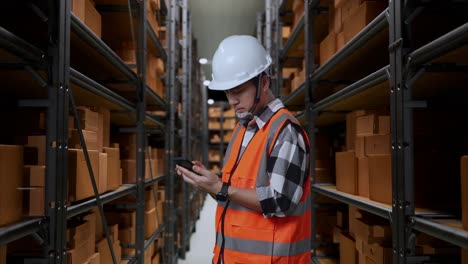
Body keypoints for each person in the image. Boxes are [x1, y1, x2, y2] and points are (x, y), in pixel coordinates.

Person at [176, 35, 311, 263]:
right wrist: (210, 185)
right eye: (228, 92)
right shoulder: (243, 128)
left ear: (264, 82)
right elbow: (235, 193)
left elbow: (280, 201)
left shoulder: (285, 131)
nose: (232, 101)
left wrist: (221, 187)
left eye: (238, 91)